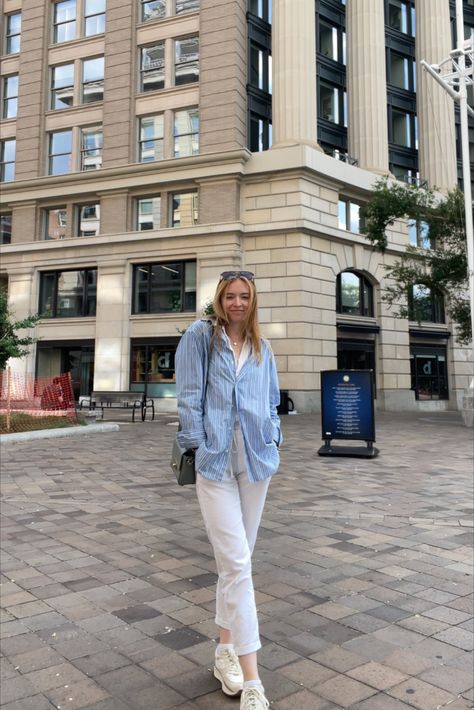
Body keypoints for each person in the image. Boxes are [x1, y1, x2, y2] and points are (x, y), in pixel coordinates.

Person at [175, 270, 282, 710]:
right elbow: (187, 397)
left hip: (256, 462)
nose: (237, 303)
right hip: (216, 462)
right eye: (230, 296)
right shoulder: (200, 336)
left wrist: (274, 437)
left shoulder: (262, 344)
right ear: (219, 299)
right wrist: (198, 447)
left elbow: (273, 399)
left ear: (253, 301)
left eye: (244, 296)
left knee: (235, 563)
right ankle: (253, 679)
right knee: (238, 564)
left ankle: (224, 652)